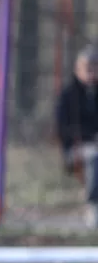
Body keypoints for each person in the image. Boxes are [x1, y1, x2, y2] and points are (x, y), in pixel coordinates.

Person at [55, 45, 98, 228]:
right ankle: (93, 205)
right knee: (94, 156)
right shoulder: (68, 96)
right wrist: (90, 137)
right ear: (77, 70)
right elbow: (63, 128)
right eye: (87, 69)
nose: (91, 74)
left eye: (94, 69)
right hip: (78, 148)